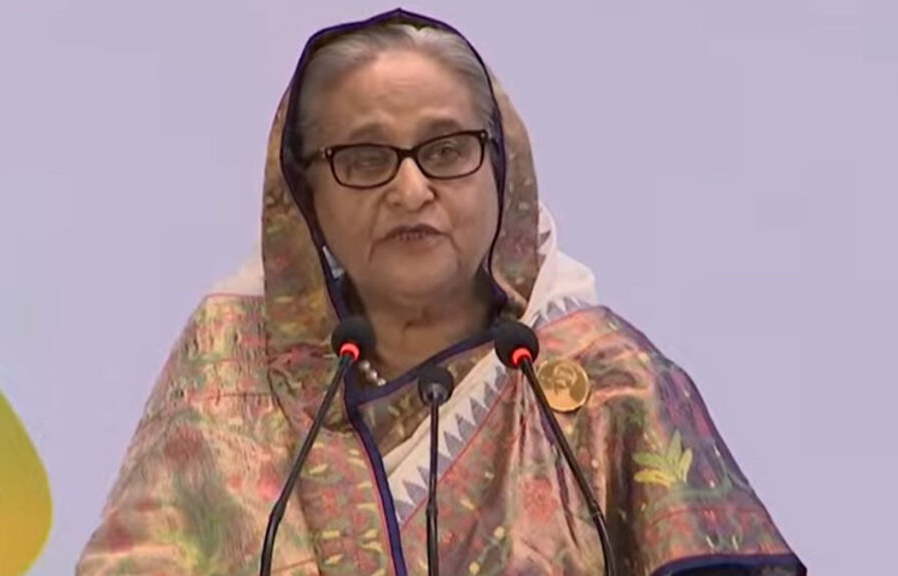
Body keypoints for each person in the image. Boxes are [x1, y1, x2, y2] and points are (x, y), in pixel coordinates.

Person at [76, 9, 805, 576]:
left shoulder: (607, 383)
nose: (411, 189)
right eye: (366, 158)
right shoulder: (231, 362)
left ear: (501, 169)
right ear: (305, 195)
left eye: (447, 150)